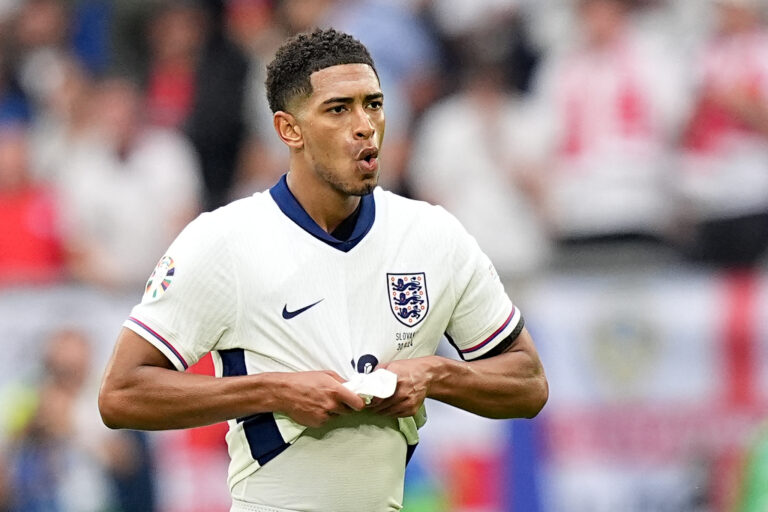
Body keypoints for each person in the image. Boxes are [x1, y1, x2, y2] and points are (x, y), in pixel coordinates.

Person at [98, 28, 548, 512]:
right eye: (339, 109)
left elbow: (528, 383)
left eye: (373, 104)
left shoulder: (435, 235)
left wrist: (436, 375)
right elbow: (121, 393)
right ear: (289, 129)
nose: (365, 125)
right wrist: (275, 390)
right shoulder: (224, 240)